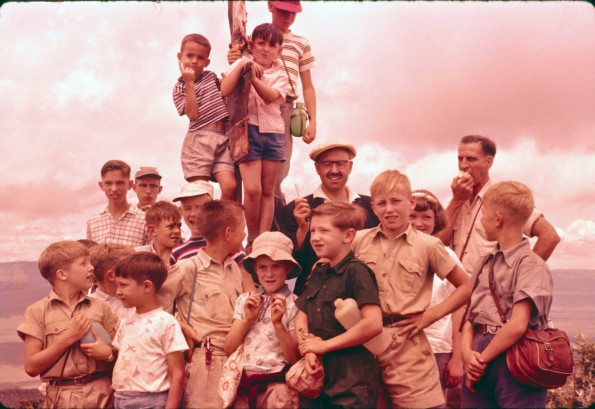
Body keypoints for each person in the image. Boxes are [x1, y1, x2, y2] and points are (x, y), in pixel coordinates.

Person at [352, 170, 471, 409]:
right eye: (382, 203)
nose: (389, 209)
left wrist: (430, 316)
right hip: (364, 345)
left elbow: (466, 286)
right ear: (373, 207)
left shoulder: (429, 245)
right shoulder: (358, 241)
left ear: (410, 203)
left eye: (396, 201)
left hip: (408, 348)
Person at [460, 181, 553, 408]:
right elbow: (470, 318)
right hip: (479, 351)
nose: (481, 220)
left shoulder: (532, 266)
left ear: (498, 218)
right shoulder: (484, 263)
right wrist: (467, 355)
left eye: (484, 214)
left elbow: (517, 325)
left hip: (517, 356)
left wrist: (480, 361)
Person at [229, 0, 318, 229]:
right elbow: (235, 65)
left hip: (284, 105)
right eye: (282, 10)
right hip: (249, 107)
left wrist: (313, 121)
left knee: (277, 175)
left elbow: (307, 85)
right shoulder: (254, 38)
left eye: (292, 12)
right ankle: (249, 233)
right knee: (249, 180)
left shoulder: (301, 43)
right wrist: (234, 56)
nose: (287, 16)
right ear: (270, 6)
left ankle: (273, 231)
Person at [157, 200, 248, 409]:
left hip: (238, 360)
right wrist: (179, 324)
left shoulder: (234, 267)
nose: (244, 234)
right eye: (242, 229)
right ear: (227, 233)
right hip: (207, 363)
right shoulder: (188, 268)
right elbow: (153, 309)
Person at [295, 201, 382, 408]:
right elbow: (302, 314)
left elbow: (373, 324)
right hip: (318, 378)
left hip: (351, 382)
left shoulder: (356, 271)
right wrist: (308, 350)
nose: (315, 237)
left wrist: (323, 346)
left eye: (324, 231)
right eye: (313, 230)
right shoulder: (319, 271)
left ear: (348, 235)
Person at [436, 135, 560, 274]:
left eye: (471, 159)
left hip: (488, 290)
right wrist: (457, 201)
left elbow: (549, 236)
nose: (464, 165)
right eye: (460, 158)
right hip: (455, 288)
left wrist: (520, 276)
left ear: (488, 162)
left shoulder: (503, 197)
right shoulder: (456, 200)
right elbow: (436, 244)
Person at [17, 241, 118, 408]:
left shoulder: (102, 307)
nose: (91, 267)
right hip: (61, 399)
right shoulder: (36, 312)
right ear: (62, 274)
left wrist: (108, 354)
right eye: (83, 263)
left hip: (104, 395)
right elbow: (31, 367)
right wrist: (69, 337)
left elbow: (122, 356)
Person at [279, 141, 378, 295]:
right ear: (317, 168)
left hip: (364, 295)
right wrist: (302, 230)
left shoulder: (371, 207)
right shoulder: (295, 209)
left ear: (350, 167)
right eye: (327, 164)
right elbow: (288, 265)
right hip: (313, 300)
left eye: (340, 164)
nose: (334, 170)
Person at [222, 23, 289, 248]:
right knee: (252, 190)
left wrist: (254, 78)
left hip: (273, 133)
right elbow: (225, 89)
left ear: (279, 50)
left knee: (268, 190)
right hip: (246, 131)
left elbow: (271, 97)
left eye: (272, 45)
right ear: (252, 45)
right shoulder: (242, 64)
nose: (265, 49)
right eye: (261, 43)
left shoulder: (281, 75)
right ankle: (251, 237)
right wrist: (243, 64)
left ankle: (264, 238)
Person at [224, 231, 301, 408]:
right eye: (263, 267)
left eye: (276, 266)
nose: (269, 274)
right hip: (243, 387)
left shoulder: (296, 304)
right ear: (255, 269)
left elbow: (295, 359)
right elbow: (229, 347)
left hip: (277, 388)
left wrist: (278, 323)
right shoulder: (245, 300)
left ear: (288, 268)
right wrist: (247, 320)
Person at [102, 252, 187, 409]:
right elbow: (122, 359)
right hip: (121, 398)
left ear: (147, 286)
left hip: (151, 401)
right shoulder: (125, 322)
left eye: (123, 285)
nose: (118, 291)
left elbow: (178, 374)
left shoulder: (166, 323)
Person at [410, 189, 466, 408]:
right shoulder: (392, 253)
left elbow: (459, 308)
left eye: (426, 217)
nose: (419, 223)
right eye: (412, 216)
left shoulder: (446, 255)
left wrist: (457, 358)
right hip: (402, 350)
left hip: (438, 349)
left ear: (436, 221)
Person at [173, 33, 237, 200]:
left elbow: (226, 91)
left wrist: (235, 63)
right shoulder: (179, 87)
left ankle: (220, 222)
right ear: (180, 57)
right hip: (198, 142)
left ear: (207, 62)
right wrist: (189, 83)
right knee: (200, 193)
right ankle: (203, 225)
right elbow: (193, 114)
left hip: (222, 139)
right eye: (189, 56)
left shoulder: (211, 77)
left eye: (200, 58)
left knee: (231, 186)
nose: (194, 61)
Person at [168, 181, 255, 291]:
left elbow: (248, 289)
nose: (193, 214)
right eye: (187, 208)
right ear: (180, 211)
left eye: (199, 207)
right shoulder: (177, 253)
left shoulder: (230, 245)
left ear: (210, 210)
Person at [87, 160, 151, 247]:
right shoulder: (93, 222)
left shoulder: (144, 220)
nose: (114, 189)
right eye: (108, 183)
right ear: (101, 185)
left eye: (120, 183)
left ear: (130, 184)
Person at [89, 243, 136, 321]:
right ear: (111, 275)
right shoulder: (88, 306)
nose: (139, 272)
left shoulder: (138, 301)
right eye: (132, 267)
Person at [135, 200, 182, 268]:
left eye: (179, 226)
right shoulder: (137, 256)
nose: (177, 231)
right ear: (152, 230)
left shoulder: (186, 256)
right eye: (170, 226)